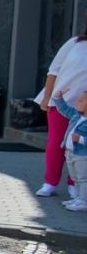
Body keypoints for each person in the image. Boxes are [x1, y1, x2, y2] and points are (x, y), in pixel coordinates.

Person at [33, 20, 87, 198]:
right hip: (61, 102)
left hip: (85, 107)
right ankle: (50, 183)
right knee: (56, 143)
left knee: (79, 147)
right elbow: (53, 71)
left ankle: (75, 185)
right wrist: (47, 97)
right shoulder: (74, 43)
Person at [63, 90, 87, 213]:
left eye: (81, 101)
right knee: (75, 178)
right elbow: (64, 109)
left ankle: (83, 201)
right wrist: (57, 98)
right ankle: (78, 198)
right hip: (70, 153)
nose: (78, 102)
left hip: (82, 156)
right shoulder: (77, 116)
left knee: (83, 178)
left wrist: (81, 139)